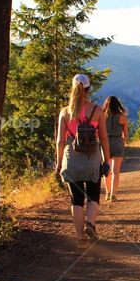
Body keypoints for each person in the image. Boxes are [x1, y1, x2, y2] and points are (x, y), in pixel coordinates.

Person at [55, 74, 111, 247]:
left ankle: (81, 238)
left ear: (73, 88)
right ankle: (90, 224)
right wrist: (106, 161)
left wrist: (58, 163)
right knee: (94, 195)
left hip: (71, 159)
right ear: (88, 89)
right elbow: (103, 138)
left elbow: (60, 141)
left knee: (76, 199)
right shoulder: (97, 111)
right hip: (92, 157)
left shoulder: (65, 112)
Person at [102, 96, 129, 201]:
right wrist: (123, 143)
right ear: (117, 104)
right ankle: (113, 195)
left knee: (106, 171)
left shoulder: (103, 116)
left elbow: (98, 131)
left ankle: (108, 193)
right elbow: (125, 133)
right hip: (118, 142)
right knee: (116, 171)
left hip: (106, 143)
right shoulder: (122, 117)